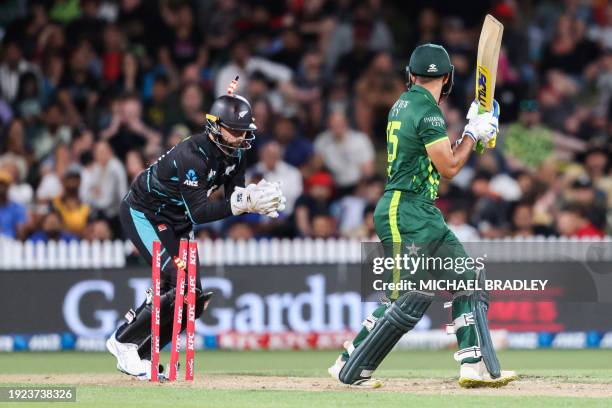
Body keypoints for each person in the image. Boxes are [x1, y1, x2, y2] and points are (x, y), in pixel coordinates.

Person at [328, 44, 517, 388]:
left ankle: (473, 366)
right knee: (408, 296)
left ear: (411, 75)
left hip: (420, 210)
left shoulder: (405, 103)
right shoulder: (428, 112)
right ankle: (351, 368)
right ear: (447, 78)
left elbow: (438, 157)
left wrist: (471, 131)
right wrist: (473, 133)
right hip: (406, 210)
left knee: (467, 279)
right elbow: (449, 167)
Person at [106, 86, 286, 380]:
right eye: (234, 131)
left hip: (178, 223)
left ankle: (142, 355)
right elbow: (200, 213)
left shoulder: (236, 154)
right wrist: (243, 204)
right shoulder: (192, 156)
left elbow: (235, 196)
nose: (241, 138)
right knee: (179, 282)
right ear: (215, 126)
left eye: (244, 132)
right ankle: (122, 341)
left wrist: (255, 200)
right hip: (146, 214)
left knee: (194, 297)